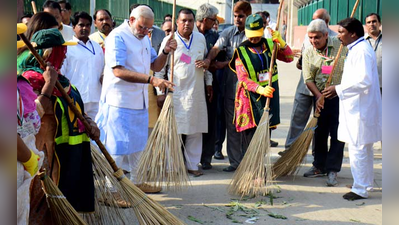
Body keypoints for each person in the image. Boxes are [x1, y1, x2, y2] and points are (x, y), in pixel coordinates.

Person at [17, 26, 99, 223]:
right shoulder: (29, 81)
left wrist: (87, 122)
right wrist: (49, 84)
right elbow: (35, 115)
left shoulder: (60, 80)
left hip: (61, 154)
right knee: (37, 202)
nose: (64, 56)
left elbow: (74, 107)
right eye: (61, 51)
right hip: (39, 154)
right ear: (50, 53)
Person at [96, 5, 176, 193]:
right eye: (142, 27)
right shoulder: (118, 36)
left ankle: (138, 182)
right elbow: (118, 70)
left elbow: (155, 65)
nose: (145, 31)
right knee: (116, 148)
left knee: (138, 145)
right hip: (119, 101)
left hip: (138, 100)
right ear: (131, 20)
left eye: (149, 28)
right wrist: (151, 80)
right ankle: (111, 191)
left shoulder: (144, 39)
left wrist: (165, 51)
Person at [323, 17, 382, 200]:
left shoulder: (361, 51)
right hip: (358, 108)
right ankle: (365, 183)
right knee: (364, 148)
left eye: (342, 32)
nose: (339, 36)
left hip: (360, 109)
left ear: (353, 34)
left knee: (358, 148)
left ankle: (360, 188)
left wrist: (338, 89)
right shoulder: (356, 48)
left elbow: (364, 81)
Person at [155, 8, 212, 177]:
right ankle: (172, 167)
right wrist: (160, 92)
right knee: (173, 131)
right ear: (177, 22)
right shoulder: (169, 40)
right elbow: (159, 68)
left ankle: (193, 165)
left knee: (196, 129)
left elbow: (206, 63)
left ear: (194, 22)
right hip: (176, 92)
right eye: (183, 21)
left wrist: (209, 83)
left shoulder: (200, 39)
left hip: (197, 92)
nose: (187, 24)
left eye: (190, 21)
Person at [229, 13, 293, 156]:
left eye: (257, 35)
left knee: (265, 135)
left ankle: (259, 169)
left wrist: (281, 43)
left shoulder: (270, 45)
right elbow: (243, 78)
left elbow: (289, 58)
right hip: (250, 101)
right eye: (251, 35)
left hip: (269, 97)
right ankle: (251, 172)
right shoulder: (241, 51)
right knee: (251, 138)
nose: (254, 38)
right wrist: (260, 89)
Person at [281, 8, 337, 156]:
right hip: (305, 86)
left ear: (326, 23)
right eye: (312, 19)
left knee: (318, 123)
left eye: (318, 19)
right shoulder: (309, 37)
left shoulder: (336, 40)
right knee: (297, 118)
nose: (314, 40)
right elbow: (301, 64)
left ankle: (316, 156)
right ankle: (290, 150)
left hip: (323, 90)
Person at [205, 0, 251, 172]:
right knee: (231, 122)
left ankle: (248, 160)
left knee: (246, 124)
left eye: (241, 16)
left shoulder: (254, 34)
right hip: (231, 82)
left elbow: (247, 58)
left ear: (248, 16)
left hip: (249, 83)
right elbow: (216, 48)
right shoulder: (227, 32)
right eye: (235, 16)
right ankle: (235, 162)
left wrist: (224, 64)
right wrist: (209, 59)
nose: (238, 19)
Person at [302, 19, 347, 187]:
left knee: (337, 134)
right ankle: (318, 165)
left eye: (317, 38)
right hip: (319, 96)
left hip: (339, 97)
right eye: (311, 37)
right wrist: (319, 96)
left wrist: (337, 88)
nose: (314, 41)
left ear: (326, 35)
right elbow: (308, 79)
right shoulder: (308, 51)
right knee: (319, 133)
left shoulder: (340, 45)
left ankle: (333, 169)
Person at [61, 11, 104, 119]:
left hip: (96, 98)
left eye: (88, 25)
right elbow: (61, 74)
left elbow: (103, 70)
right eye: (81, 25)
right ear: (74, 27)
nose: (85, 28)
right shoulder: (68, 47)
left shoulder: (96, 46)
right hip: (75, 97)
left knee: (95, 131)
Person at [194, 3, 219, 170]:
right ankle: (187, 157)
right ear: (204, 20)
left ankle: (206, 156)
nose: (215, 23)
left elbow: (211, 63)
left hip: (208, 83)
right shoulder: (190, 35)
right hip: (189, 84)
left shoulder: (214, 37)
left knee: (209, 120)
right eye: (213, 20)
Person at [364, 13, 382, 94]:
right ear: (365, 25)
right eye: (369, 22)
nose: (371, 24)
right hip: (367, 87)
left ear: (379, 23)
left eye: (374, 21)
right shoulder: (361, 42)